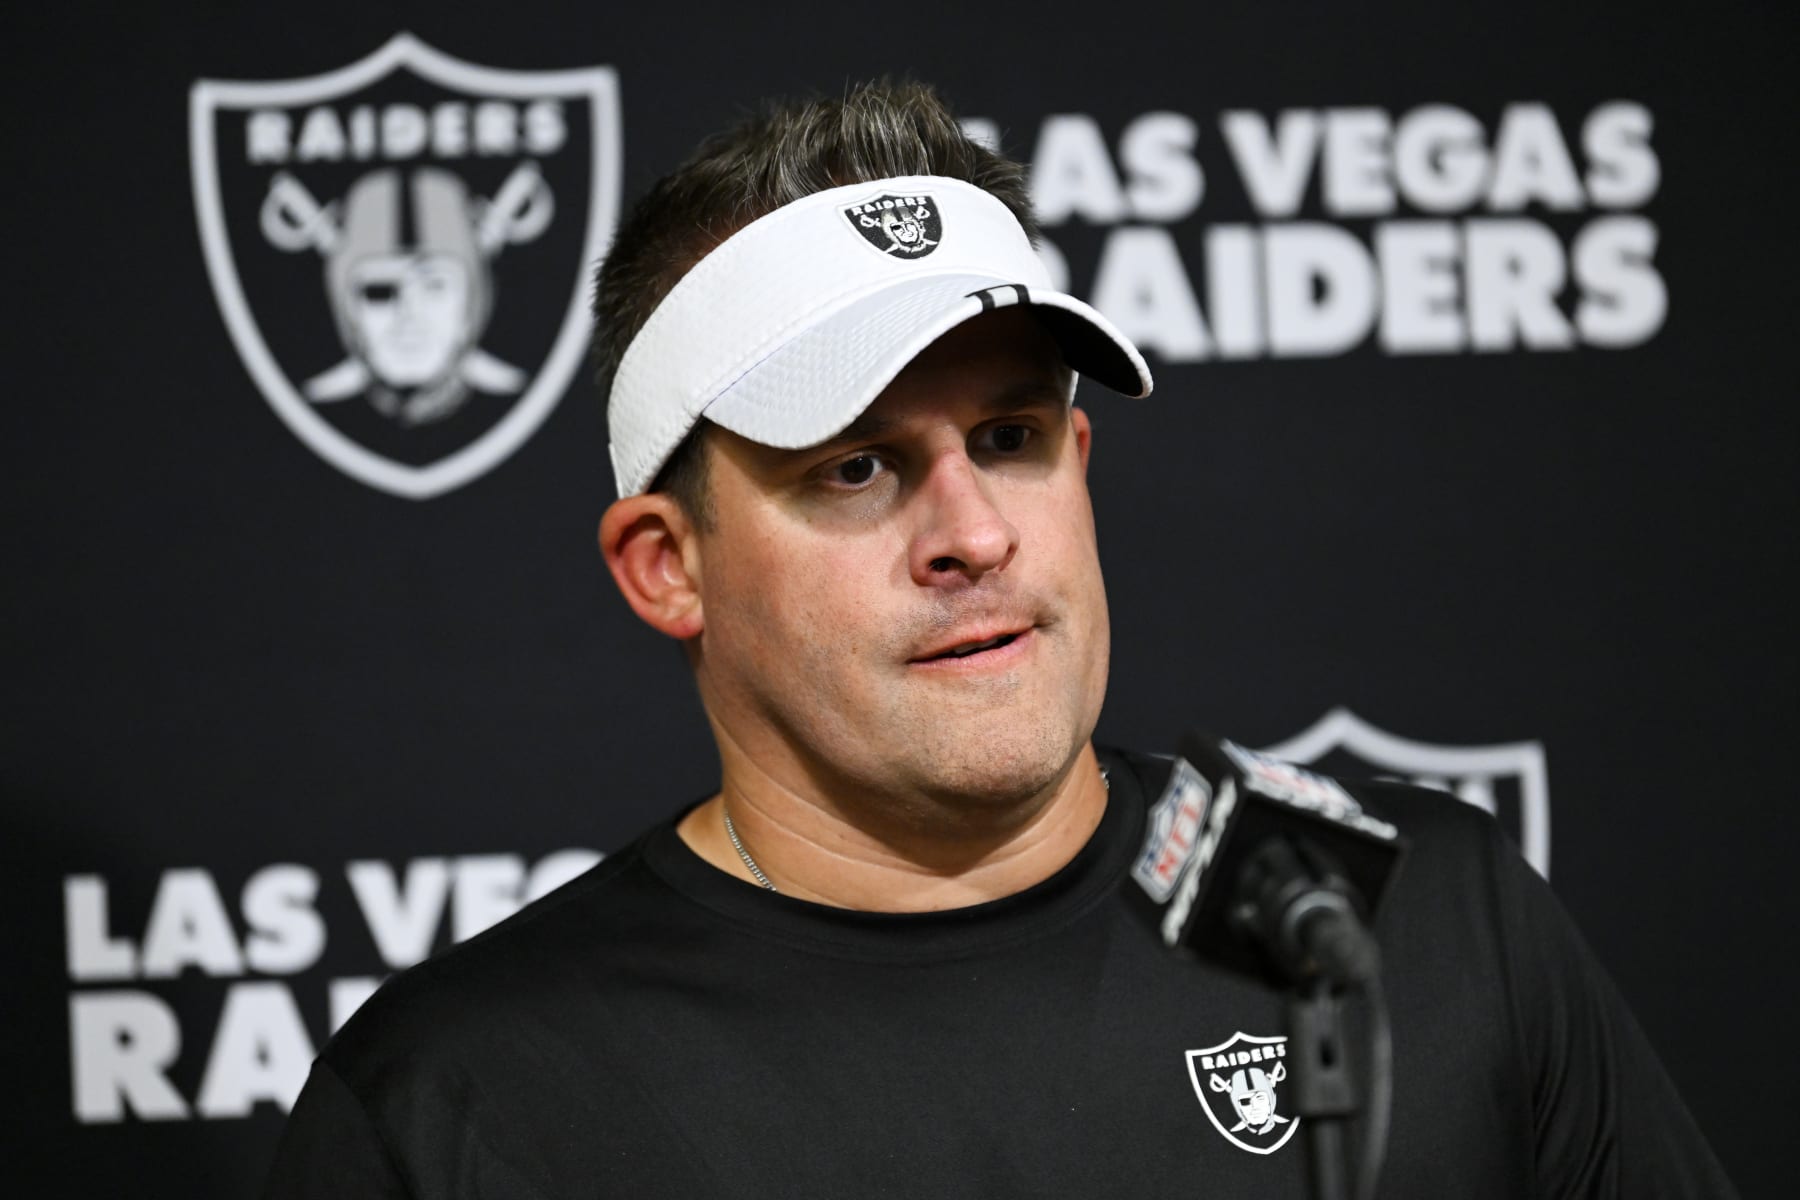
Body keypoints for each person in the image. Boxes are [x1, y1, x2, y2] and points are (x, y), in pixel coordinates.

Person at [262, 81, 1735, 1198]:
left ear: (1082, 467)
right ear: (667, 565)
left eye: (1013, 435)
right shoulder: (468, 1105)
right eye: (856, 464)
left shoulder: (1421, 919)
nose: (973, 531)